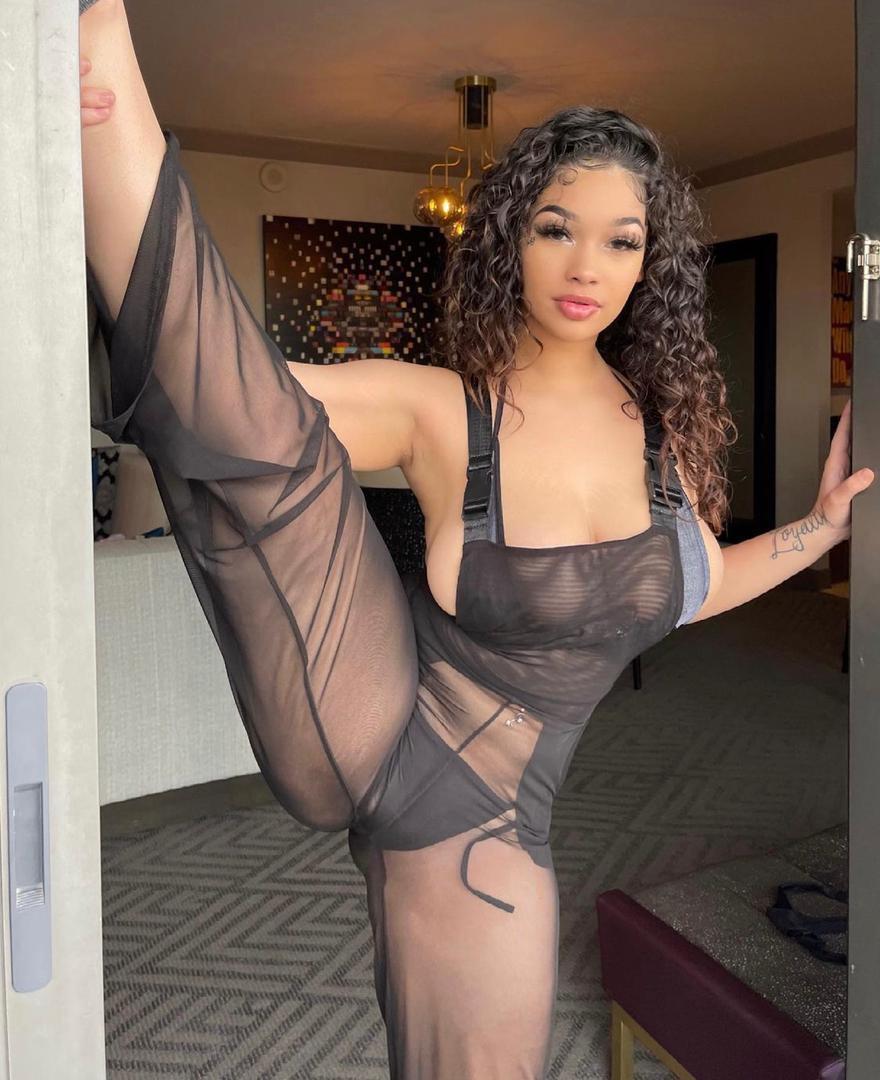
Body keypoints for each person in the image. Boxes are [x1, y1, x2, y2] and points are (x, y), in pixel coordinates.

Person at [78, 1, 873, 1075]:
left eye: (621, 239)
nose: (586, 266)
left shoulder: (668, 437)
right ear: (512, 240)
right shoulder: (446, 410)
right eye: (556, 228)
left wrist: (819, 531)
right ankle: (99, 54)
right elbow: (225, 389)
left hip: (504, 809)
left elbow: (693, 587)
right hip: (380, 739)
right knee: (238, 415)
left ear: (651, 263)